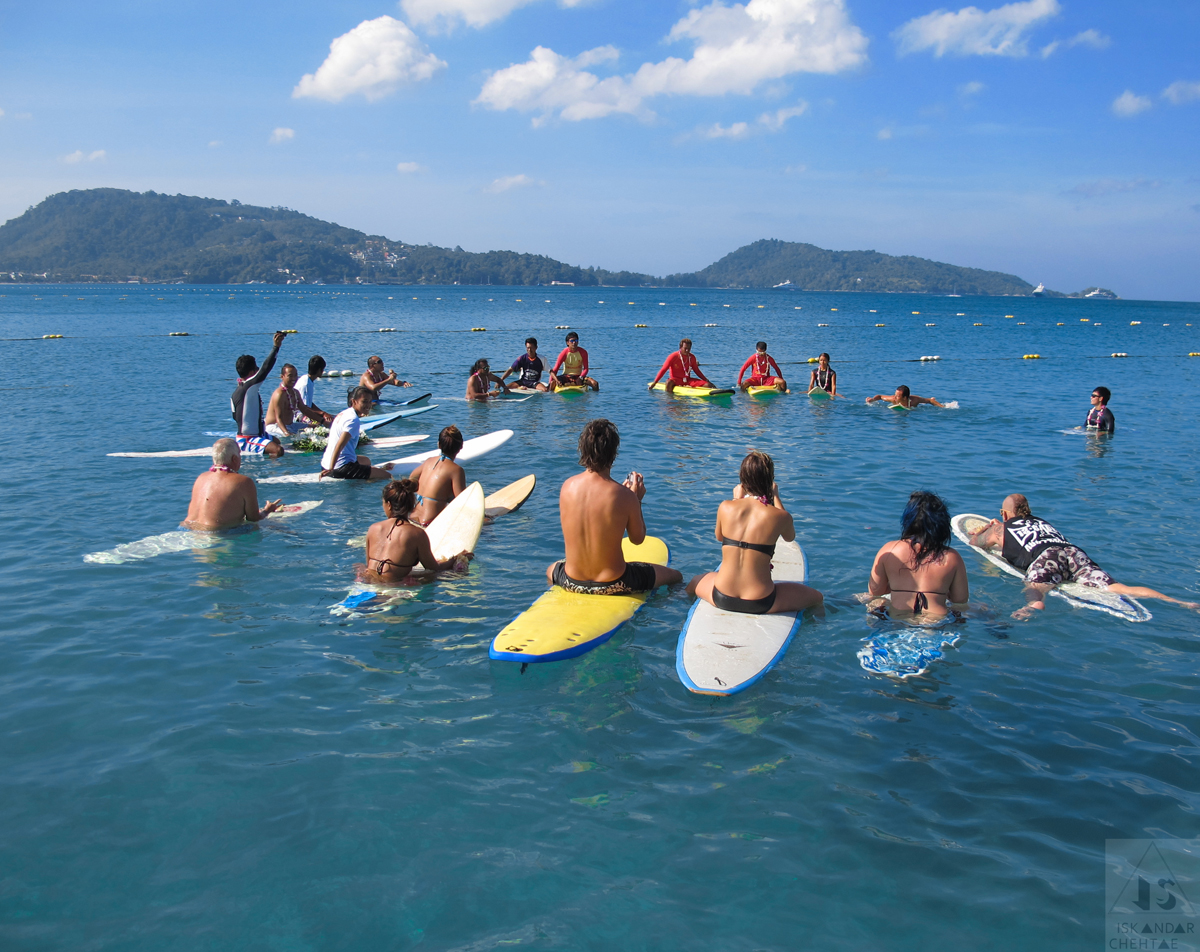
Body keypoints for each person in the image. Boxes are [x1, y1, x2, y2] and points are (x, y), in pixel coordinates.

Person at [968, 494, 1200, 620]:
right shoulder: (1041, 521)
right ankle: (1180, 602)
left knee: (1035, 586)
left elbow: (975, 543)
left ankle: (1034, 605)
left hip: (1047, 557)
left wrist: (986, 529)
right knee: (1118, 587)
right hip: (1072, 552)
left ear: (1006, 514)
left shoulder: (1001, 528)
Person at [548, 419, 682, 594]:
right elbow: (637, 539)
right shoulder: (625, 496)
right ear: (614, 453)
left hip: (570, 580)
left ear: (582, 449)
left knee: (551, 569)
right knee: (676, 577)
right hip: (614, 583)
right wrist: (636, 500)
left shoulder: (567, 486)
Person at [685, 452, 824, 615]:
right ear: (770, 479)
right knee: (817, 597)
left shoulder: (726, 506)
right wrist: (776, 497)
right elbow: (789, 537)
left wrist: (736, 500)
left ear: (742, 479)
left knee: (695, 582)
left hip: (721, 596)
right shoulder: (780, 516)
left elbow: (720, 537)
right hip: (761, 601)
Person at [866, 491, 969, 617]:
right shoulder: (952, 557)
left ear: (907, 520)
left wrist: (897, 584)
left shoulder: (889, 550)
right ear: (942, 523)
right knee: (982, 608)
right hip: (936, 621)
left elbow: (876, 591)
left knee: (872, 602)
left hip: (897, 617)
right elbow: (960, 600)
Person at [360, 479, 472, 583]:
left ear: (388, 505)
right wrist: (457, 559)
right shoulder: (417, 534)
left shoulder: (373, 528)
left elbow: (368, 565)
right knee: (435, 576)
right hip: (393, 589)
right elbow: (434, 568)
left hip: (366, 583)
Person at [184, 439, 281, 530]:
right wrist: (267, 510)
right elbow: (254, 518)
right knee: (280, 529)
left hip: (187, 528)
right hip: (216, 534)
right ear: (235, 459)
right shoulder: (243, 482)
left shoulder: (201, 478)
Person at [230, 331, 287, 457]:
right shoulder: (249, 387)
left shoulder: (237, 391)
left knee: (277, 441)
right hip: (247, 439)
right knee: (278, 450)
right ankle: (273, 474)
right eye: (256, 369)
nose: (258, 371)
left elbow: (235, 417)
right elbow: (265, 369)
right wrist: (276, 347)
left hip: (258, 434)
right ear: (251, 372)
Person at [320, 386, 395, 480]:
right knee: (388, 476)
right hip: (340, 468)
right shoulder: (353, 420)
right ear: (354, 402)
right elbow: (339, 446)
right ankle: (367, 481)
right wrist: (331, 469)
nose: (368, 405)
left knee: (366, 461)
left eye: (369, 401)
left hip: (325, 463)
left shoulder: (343, 413)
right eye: (364, 401)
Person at [409, 425, 467, 525]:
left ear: (439, 445)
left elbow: (411, 479)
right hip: (429, 523)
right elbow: (462, 503)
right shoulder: (456, 470)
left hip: (411, 518)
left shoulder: (428, 462)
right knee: (487, 529)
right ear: (461, 446)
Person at [265, 364, 331, 438]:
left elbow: (305, 410)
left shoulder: (295, 392)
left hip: (291, 425)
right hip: (275, 426)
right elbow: (279, 418)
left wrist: (322, 421)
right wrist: (287, 433)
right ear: (282, 377)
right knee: (291, 436)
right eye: (290, 376)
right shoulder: (279, 394)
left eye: (295, 375)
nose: (294, 378)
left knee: (316, 428)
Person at [649, 338, 715, 394]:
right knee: (669, 382)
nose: (687, 350)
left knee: (708, 385)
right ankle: (670, 400)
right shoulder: (673, 356)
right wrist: (655, 382)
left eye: (689, 348)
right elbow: (663, 370)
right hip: (676, 380)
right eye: (685, 348)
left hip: (687, 380)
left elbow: (697, 371)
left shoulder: (692, 357)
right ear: (680, 347)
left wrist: (706, 380)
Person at [295, 356, 334, 424]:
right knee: (326, 423)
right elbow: (304, 408)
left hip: (306, 412)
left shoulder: (308, 381)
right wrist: (322, 414)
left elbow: (309, 403)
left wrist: (324, 413)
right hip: (299, 416)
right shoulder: (305, 384)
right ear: (319, 370)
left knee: (332, 418)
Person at [866, 385, 944, 409]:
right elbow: (880, 396)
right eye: (895, 395)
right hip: (898, 409)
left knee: (927, 401)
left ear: (905, 397)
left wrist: (942, 407)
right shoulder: (893, 399)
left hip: (912, 407)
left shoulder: (914, 400)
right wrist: (872, 400)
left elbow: (930, 401)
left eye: (898, 396)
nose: (895, 397)